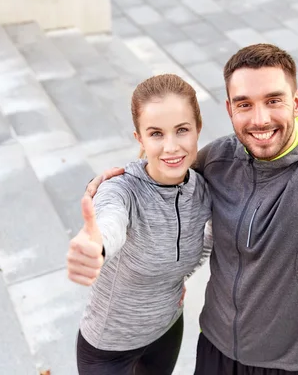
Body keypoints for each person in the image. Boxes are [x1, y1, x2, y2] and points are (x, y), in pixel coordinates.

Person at [83, 44, 298, 375]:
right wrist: (119, 183)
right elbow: (167, 171)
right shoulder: (220, 157)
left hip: (285, 362)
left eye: (273, 100)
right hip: (215, 347)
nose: (259, 119)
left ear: (297, 102)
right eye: (244, 104)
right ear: (230, 109)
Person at [67, 74, 213, 375]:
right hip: (108, 348)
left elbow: (202, 242)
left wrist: (176, 276)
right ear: (140, 139)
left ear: (198, 128)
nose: (171, 147)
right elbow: (111, 221)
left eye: (182, 130)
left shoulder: (203, 191)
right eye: (156, 133)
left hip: (167, 330)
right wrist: (97, 245)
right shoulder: (121, 189)